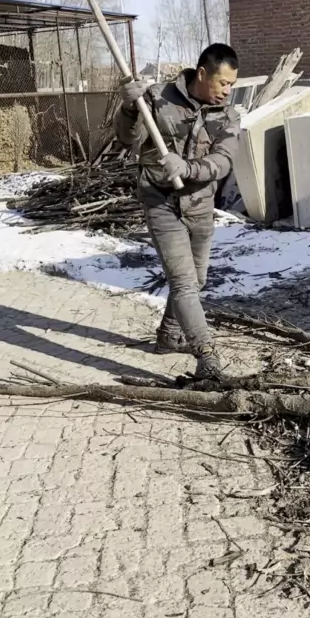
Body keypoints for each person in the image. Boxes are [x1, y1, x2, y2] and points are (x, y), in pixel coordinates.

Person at [114, 43, 240, 379]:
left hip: (200, 205)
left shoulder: (228, 114)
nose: (227, 91)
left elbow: (223, 161)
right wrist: (128, 107)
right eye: (223, 83)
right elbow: (126, 139)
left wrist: (188, 168)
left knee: (197, 281)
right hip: (160, 202)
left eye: (232, 85)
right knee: (183, 283)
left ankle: (169, 336)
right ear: (202, 74)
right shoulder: (157, 97)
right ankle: (206, 355)